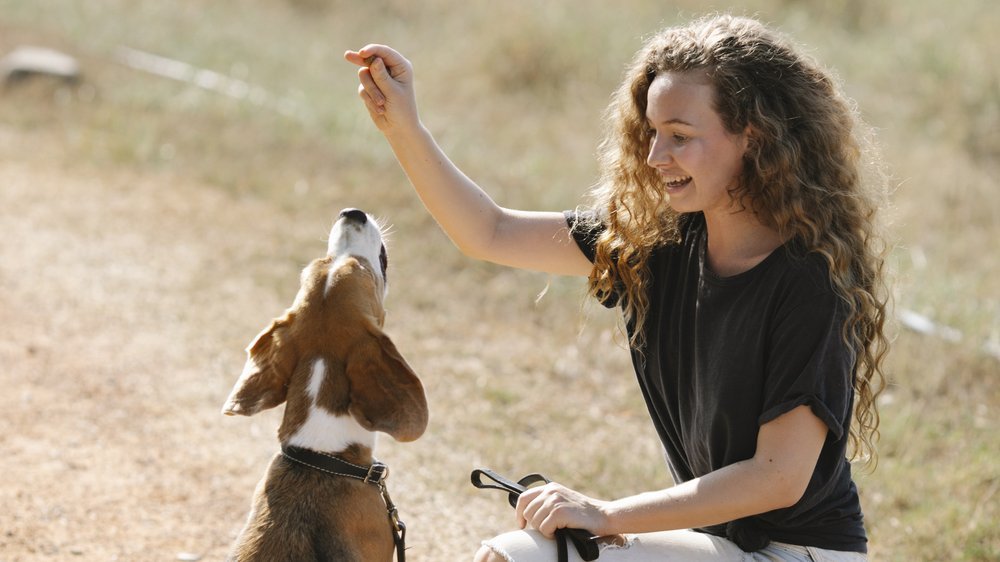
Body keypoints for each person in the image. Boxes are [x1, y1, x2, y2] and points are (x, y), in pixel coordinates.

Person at [346, 13, 890, 562]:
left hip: (800, 555)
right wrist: (403, 128)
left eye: (680, 135)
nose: (655, 156)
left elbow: (778, 478)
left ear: (753, 138)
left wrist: (604, 515)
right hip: (719, 545)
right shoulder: (658, 245)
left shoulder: (810, 281)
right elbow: (490, 231)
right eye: (653, 132)